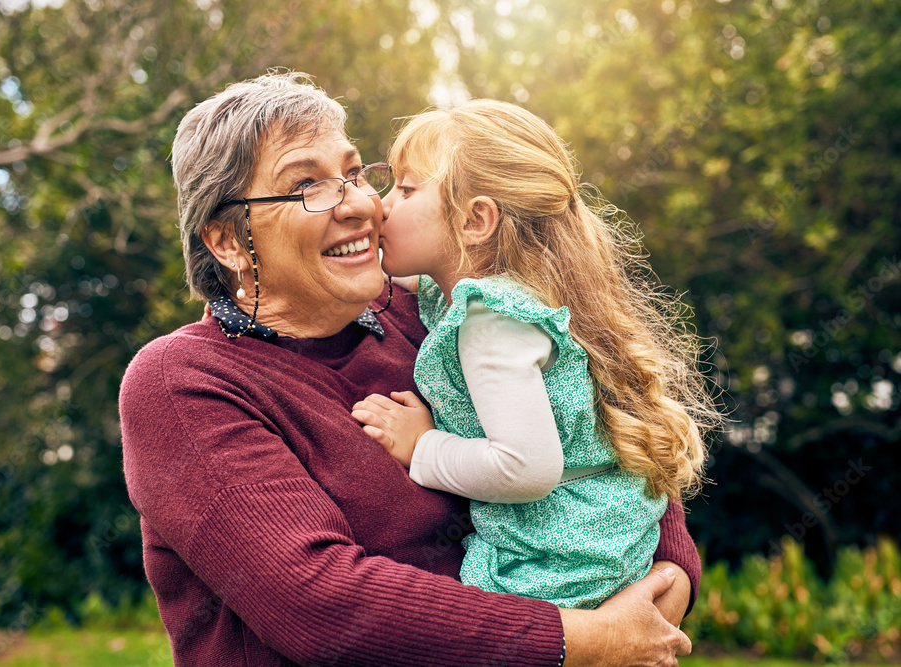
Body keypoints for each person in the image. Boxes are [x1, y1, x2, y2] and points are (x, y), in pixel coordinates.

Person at [119, 71, 700, 667]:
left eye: (352, 172)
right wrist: (586, 640)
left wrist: (669, 576)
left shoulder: (437, 312)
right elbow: (323, 604)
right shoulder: (184, 382)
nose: (359, 203)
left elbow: (596, 429)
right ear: (228, 242)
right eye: (307, 185)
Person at [351, 100, 721, 612]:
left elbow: (526, 468)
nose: (381, 205)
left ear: (476, 220)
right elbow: (409, 279)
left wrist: (422, 448)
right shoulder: (519, 291)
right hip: (603, 541)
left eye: (407, 189)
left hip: (554, 562)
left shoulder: (492, 323)